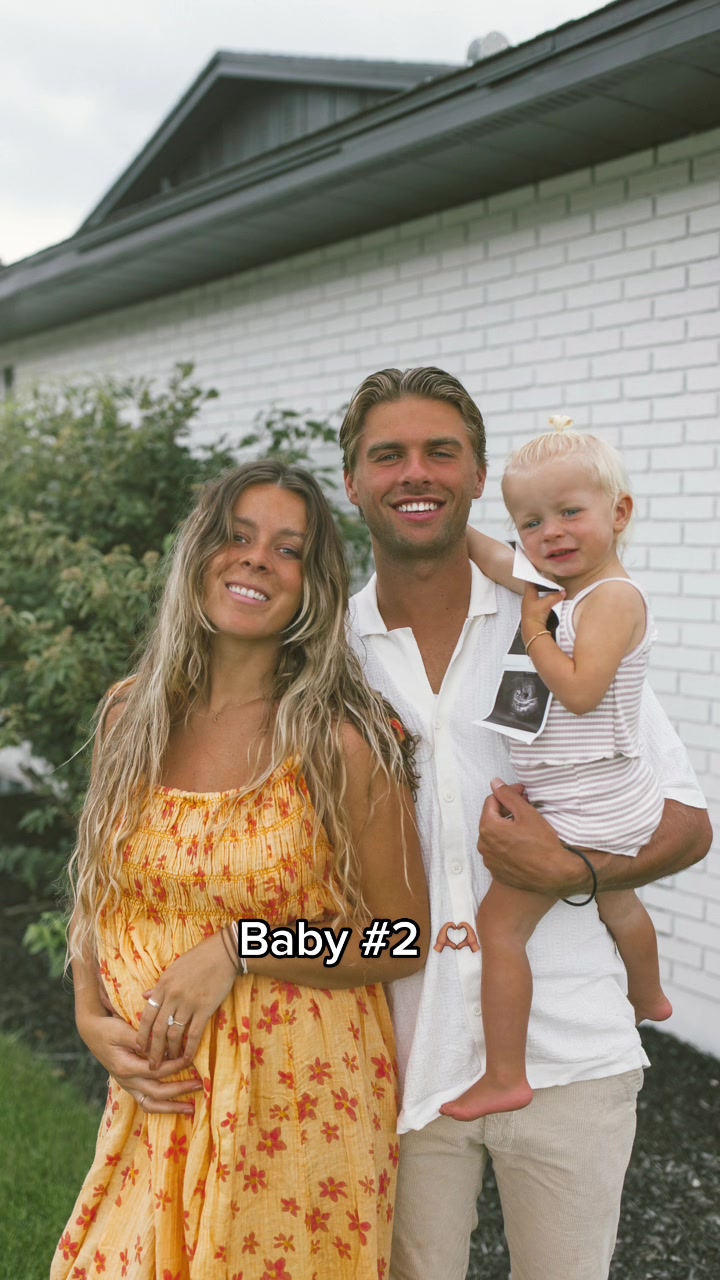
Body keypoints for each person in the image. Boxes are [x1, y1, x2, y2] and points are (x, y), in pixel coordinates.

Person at [339, 367, 711, 1280]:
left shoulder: (562, 619)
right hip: (403, 1060)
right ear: (351, 481)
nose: (415, 473)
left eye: (441, 452)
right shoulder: (329, 653)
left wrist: (574, 872)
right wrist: (240, 950)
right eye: (388, 455)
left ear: (476, 476)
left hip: (570, 1053)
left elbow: (687, 825)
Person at [52, 460, 429, 1280]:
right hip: (160, 1099)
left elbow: (402, 938)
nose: (257, 558)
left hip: (295, 1107)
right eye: (237, 535)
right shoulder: (132, 714)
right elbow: (99, 888)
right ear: (200, 553)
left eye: (288, 549)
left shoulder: (340, 739)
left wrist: (241, 946)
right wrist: (88, 1013)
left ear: (313, 587)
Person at [441, 416, 674, 1124]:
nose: (550, 533)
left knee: (500, 928)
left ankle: (505, 1074)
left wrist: (534, 629)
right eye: (531, 521)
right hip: (595, 790)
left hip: (590, 797)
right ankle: (648, 994)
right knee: (617, 900)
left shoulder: (611, 599)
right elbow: (495, 558)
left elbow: (580, 690)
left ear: (619, 513)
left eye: (570, 512)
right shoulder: (561, 584)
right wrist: (452, 526)